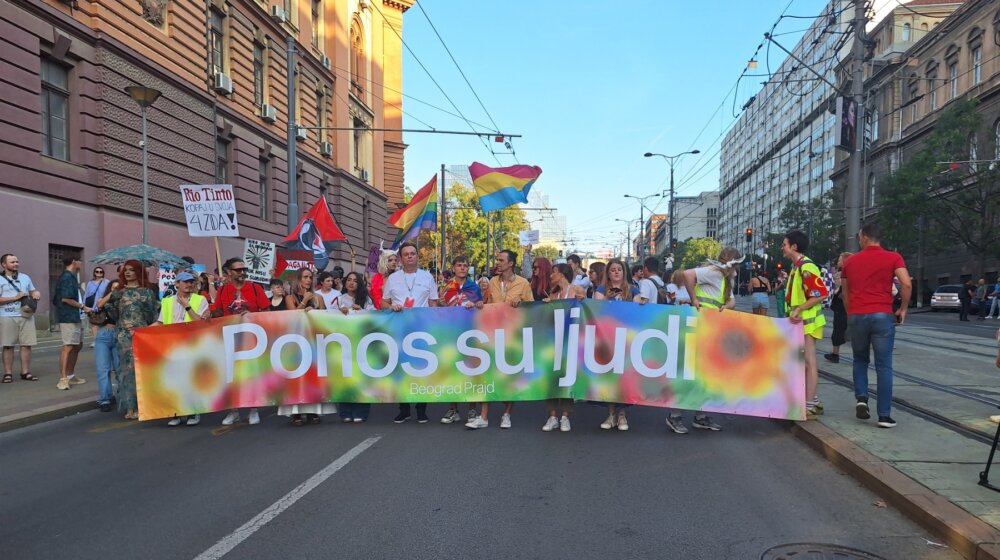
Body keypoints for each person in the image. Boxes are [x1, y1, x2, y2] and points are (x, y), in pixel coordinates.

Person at [841, 223, 911, 429]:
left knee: (860, 359)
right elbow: (906, 283)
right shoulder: (893, 257)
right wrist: (903, 309)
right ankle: (884, 416)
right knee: (884, 366)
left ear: (863, 237)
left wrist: (850, 312)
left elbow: (845, 293)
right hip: (882, 315)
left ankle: (861, 397)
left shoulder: (850, 262)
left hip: (857, 314)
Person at [672, 247, 743, 433]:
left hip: (711, 329)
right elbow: (687, 274)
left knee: (705, 375)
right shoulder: (713, 272)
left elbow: (732, 301)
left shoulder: (727, 279)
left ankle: (700, 416)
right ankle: (675, 415)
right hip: (700, 326)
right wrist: (694, 299)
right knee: (693, 374)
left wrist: (726, 306)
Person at [466, 249, 533, 430]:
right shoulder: (493, 282)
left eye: (501, 260)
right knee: (487, 373)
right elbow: (486, 304)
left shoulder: (523, 283)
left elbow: (533, 309)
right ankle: (484, 416)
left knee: (509, 376)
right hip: (492, 333)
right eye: (497, 259)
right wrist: (479, 304)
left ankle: (507, 414)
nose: (498, 263)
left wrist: (522, 303)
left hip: (512, 335)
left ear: (511, 263)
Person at [383, 241, 438, 423]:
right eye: (406, 254)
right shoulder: (392, 279)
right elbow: (383, 302)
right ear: (401, 258)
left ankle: (421, 409)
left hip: (422, 328)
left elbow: (433, 304)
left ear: (417, 256)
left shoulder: (427, 277)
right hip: (399, 328)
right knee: (401, 370)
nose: (409, 256)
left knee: (421, 368)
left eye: (412, 253)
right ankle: (404, 409)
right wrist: (392, 306)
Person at [212, 258, 270, 426]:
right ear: (229, 272)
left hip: (251, 339)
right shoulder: (223, 290)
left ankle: (253, 409)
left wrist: (251, 317)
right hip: (230, 339)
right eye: (238, 270)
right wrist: (212, 315)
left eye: (244, 269)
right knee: (231, 377)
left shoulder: (254, 288)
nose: (243, 272)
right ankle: (234, 410)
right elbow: (217, 312)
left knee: (251, 375)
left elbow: (266, 311)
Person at [781, 230, 829, 420]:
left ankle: (809, 406)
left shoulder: (806, 267)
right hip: (800, 323)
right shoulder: (797, 267)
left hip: (808, 323)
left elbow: (820, 294)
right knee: (802, 363)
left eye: (784, 244)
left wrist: (800, 308)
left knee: (809, 363)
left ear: (794, 246)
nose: (782, 248)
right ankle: (814, 401)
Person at [153, 272, 210, 426]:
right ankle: (175, 412)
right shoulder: (167, 302)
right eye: (185, 282)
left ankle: (193, 411)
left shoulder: (200, 300)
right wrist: (140, 331)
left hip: (193, 345)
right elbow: (160, 323)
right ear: (177, 284)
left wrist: (187, 307)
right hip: (172, 346)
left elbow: (200, 323)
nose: (189, 284)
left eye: (191, 282)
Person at [104, 260, 158, 420]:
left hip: (141, 334)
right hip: (123, 337)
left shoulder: (147, 292)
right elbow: (113, 316)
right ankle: (130, 407)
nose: (128, 273)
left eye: (131, 270)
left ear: (138, 272)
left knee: (142, 370)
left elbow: (151, 316)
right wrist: (110, 304)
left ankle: (144, 405)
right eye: (125, 270)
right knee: (126, 371)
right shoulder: (118, 292)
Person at [437, 256, 483, 426]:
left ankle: (471, 408)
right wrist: (441, 304)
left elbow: (481, 305)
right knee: (451, 372)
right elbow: (440, 310)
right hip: (451, 333)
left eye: (465, 265)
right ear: (453, 268)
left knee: (470, 371)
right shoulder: (446, 287)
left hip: (469, 333)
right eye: (459, 265)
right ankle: (453, 409)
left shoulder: (474, 287)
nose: (463, 268)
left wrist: (478, 304)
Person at [541, 263, 585, 432]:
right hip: (553, 342)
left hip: (571, 341)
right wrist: (546, 305)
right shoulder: (553, 294)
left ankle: (565, 416)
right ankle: (552, 416)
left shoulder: (577, 290)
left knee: (567, 378)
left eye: (554, 272)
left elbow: (586, 308)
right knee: (552, 378)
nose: (551, 276)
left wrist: (582, 301)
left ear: (562, 274)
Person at [593, 258, 632, 431]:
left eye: (619, 269)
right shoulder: (601, 289)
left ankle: (622, 414)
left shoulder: (633, 289)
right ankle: (610, 414)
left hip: (627, 339)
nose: (616, 272)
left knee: (624, 377)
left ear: (624, 272)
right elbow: (595, 309)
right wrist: (608, 297)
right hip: (607, 338)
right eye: (612, 270)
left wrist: (642, 304)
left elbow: (639, 310)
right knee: (609, 376)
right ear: (608, 274)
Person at [336, 271, 376, 423]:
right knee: (345, 378)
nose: (351, 283)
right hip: (343, 343)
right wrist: (339, 313)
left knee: (361, 378)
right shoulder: (338, 299)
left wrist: (361, 311)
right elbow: (327, 316)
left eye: (355, 280)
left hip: (362, 342)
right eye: (349, 280)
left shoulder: (366, 300)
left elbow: (375, 317)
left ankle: (361, 411)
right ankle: (345, 411)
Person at [0, 254, 41, 383]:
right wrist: (15, 298)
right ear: (4, 265)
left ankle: (25, 372)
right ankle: (8, 373)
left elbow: (32, 291)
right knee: (7, 346)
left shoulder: (25, 277)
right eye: (12, 262)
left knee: (26, 345)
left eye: (17, 261)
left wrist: (36, 293)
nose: (16, 264)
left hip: (26, 315)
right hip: (7, 316)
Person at [55, 256, 90, 391]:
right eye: (80, 261)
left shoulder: (72, 276)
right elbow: (65, 299)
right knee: (68, 347)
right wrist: (83, 307)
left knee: (77, 346)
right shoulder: (67, 277)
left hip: (76, 317)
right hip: (69, 317)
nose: (81, 263)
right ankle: (63, 379)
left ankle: (70, 375)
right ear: (74, 262)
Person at [93, 280, 121, 411]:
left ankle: (121, 396)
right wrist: (111, 293)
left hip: (119, 335)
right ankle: (105, 398)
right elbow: (98, 305)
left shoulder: (124, 300)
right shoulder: (105, 299)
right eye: (113, 288)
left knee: (119, 368)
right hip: (104, 335)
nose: (115, 290)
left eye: (118, 288)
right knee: (103, 369)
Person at [824, 252, 853, 363]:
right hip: (845, 306)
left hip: (842, 307)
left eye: (840, 260)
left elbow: (837, 290)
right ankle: (835, 353)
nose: (838, 262)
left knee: (839, 329)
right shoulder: (850, 273)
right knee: (841, 329)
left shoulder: (841, 275)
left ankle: (835, 354)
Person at [83, 267, 111, 344]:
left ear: (103, 273)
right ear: (94, 273)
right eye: (97, 271)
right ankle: (96, 340)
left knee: (102, 322)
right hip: (91, 306)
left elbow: (108, 293)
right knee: (94, 323)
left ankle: (102, 339)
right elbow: (86, 294)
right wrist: (84, 305)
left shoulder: (107, 282)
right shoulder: (90, 283)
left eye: (100, 272)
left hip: (102, 305)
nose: (99, 273)